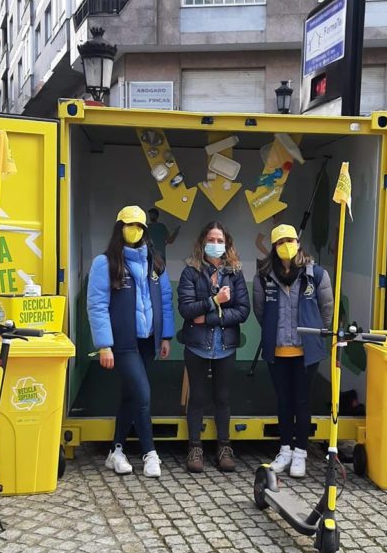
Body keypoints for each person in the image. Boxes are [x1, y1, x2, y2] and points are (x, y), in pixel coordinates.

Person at [87, 205, 174, 477]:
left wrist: (166, 336)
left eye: (139, 226)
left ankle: (116, 450)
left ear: (145, 231)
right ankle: (150, 453)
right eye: (129, 225)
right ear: (119, 228)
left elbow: (165, 301)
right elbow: (97, 305)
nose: (134, 230)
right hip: (123, 343)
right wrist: (104, 344)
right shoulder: (105, 263)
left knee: (130, 395)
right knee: (143, 394)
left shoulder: (155, 262)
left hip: (148, 341)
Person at [253, 224, 333, 478]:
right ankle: (285, 449)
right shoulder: (263, 277)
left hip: (305, 352)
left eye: (291, 240)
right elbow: (260, 312)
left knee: (302, 401)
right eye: (280, 242)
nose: (286, 245)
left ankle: (300, 452)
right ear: (274, 248)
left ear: (298, 243)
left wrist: (316, 333)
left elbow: (326, 310)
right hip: (278, 352)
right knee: (283, 401)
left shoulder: (316, 275)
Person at [177, 221, 250, 473]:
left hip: (226, 347)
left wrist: (207, 317)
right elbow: (186, 309)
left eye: (220, 241)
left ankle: (224, 447)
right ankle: (194, 447)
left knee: (223, 398)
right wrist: (214, 301)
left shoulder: (236, 273)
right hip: (197, 346)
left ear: (227, 244)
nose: (216, 245)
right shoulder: (190, 272)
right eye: (211, 240)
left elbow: (243, 311)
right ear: (202, 243)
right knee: (196, 397)